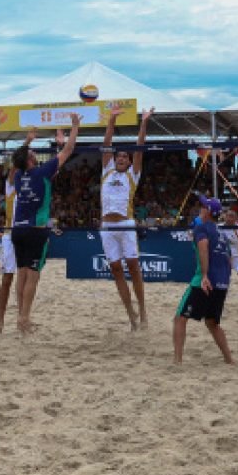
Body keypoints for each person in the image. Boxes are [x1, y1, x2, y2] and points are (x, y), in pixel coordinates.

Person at [10, 113, 80, 336]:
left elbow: (16, 161)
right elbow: (68, 151)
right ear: (31, 160)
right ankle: (25, 318)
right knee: (33, 276)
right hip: (35, 230)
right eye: (32, 153)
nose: (34, 153)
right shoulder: (41, 172)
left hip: (17, 229)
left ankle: (21, 318)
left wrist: (28, 141)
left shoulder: (20, 176)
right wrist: (75, 126)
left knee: (21, 275)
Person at [100, 103, 154, 331]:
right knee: (115, 270)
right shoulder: (107, 171)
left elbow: (139, 146)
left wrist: (144, 122)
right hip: (106, 226)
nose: (121, 158)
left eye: (125, 156)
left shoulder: (133, 174)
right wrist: (111, 121)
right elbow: (106, 144)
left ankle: (142, 309)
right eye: (119, 156)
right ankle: (130, 313)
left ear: (130, 162)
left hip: (126, 224)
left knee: (133, 266)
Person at [172, 196, 234, 364]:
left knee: (180, 318)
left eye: (202, 207)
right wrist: (225, 282)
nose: (200, 208)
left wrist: (205, 276)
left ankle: (177, 360)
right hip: (222, 283)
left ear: (207, 211)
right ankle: (229, 359)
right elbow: (229, 261)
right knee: (212, 323)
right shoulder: (222, 233)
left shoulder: (202, 229)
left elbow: (203, 249)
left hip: (203, 281)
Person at [0, 129, 35, 335]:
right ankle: (1, 321)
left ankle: (22, 318)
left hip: (26, 235)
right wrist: (26, 142)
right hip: (10, 235)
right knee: (8, 280)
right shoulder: (12, 185)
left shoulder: (32, 184)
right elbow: (14, 166)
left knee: (27, 278)